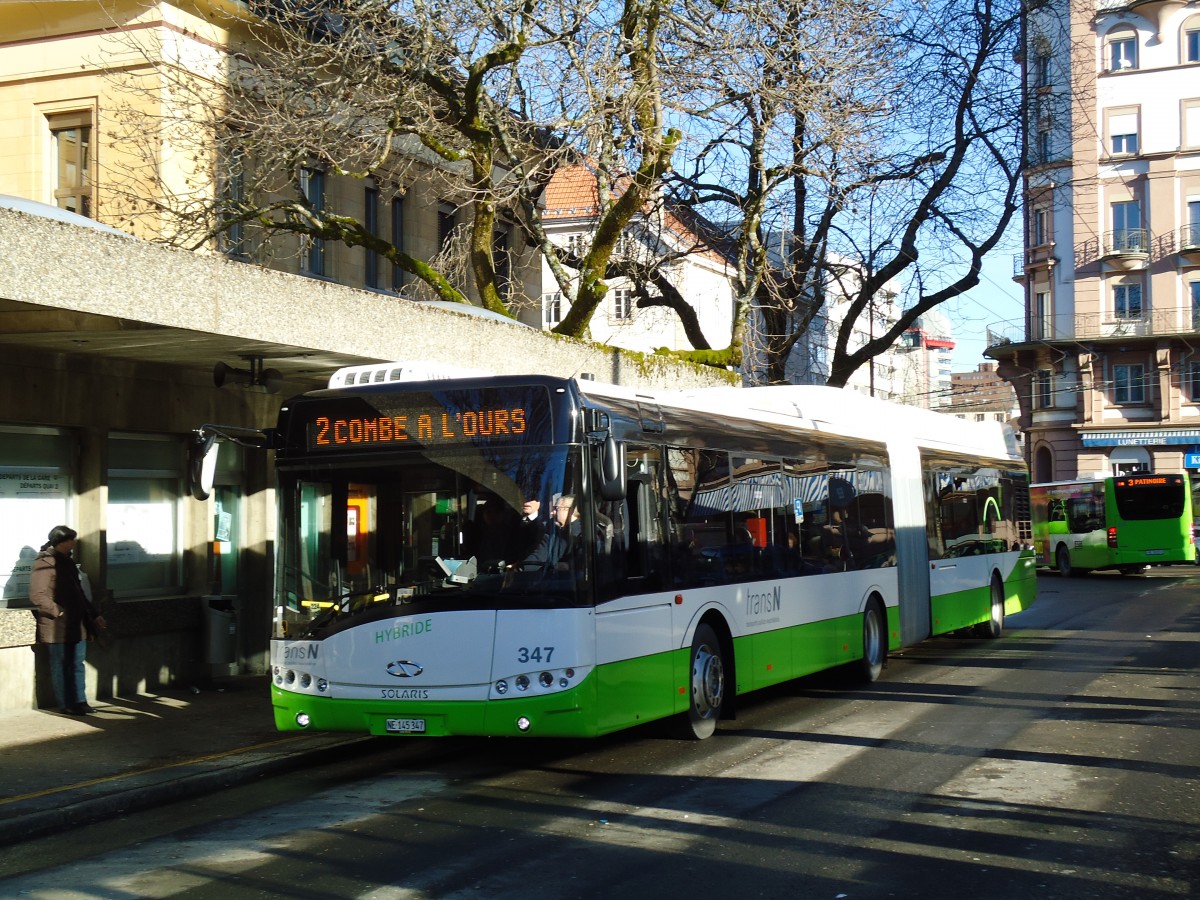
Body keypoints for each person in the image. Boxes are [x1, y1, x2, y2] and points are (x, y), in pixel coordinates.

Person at [29, 525, 105, 715]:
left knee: (77, 664)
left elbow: (79, 593)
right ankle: (66, 704)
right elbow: (37, 595)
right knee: (61, 666)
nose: (75, 542)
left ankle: (80, 701)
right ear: (62, 542)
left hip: (77, 624)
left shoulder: (68, 562)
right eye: (72, 539)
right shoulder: (45, 562)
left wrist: (94, 614)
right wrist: (58, 611)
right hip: (57, 626)